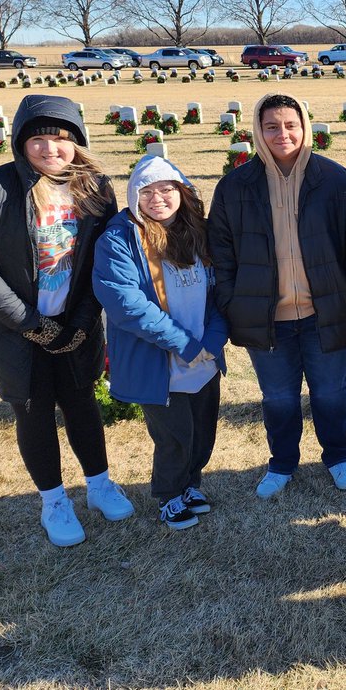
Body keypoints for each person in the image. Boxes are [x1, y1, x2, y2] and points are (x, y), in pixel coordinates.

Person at [0, 94, 133, 547]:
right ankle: (54, 501)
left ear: (76, 140)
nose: (50, 147)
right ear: (20, 141)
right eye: (37, 138)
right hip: (15, 328)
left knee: (82, 402)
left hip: (74, 325)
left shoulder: (95, 188)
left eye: (60, 137)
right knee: (33, 411)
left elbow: (104, 258)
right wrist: (31, 323)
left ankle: (99, 484)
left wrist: (83, 321)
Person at [207, 94, 346, 499]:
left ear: (304, 126)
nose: (282, 134)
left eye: (291, 125)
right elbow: (221, 252)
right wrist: (233, 302)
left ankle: (338, 456)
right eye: (271, 127)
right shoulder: (235, 186)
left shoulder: (336, 180)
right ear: (258, 131)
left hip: (323, 310)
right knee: (278, 397)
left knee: (330, 392)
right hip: (267, 315)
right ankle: (282, 463)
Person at [94, 156, 229, 530]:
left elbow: (220, 294)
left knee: (202, 430)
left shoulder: (199, 233)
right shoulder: (119, 240)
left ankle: (190, 485)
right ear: (133, 196)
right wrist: (185, 344)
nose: (158, 198)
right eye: (147, 191)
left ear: (182, 192)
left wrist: (213, 341)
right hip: (157, 360)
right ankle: (170, 496)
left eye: (167, 189)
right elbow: (127, 305)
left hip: (203, 355)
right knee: (173, 435)